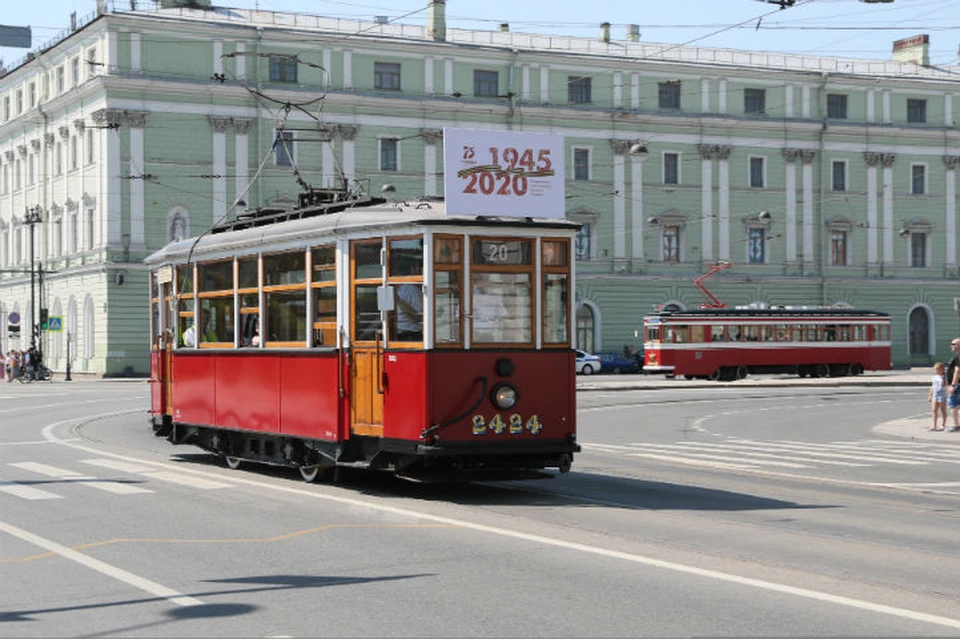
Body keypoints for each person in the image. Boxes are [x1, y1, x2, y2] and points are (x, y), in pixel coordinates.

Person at [928, 361, 947, 431]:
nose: (936, 371)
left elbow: (947, 386)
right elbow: (932, 386)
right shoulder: (934, 377)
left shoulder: (945, 377)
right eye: (935, 369)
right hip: (935, 395)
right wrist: (930, 395)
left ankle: (943, 425)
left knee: (943, 410)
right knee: (934, 410)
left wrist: (945, 382)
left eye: (937, 369)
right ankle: (934, 426)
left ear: (942, 369)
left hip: (942, 395)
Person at [947, 338, 960, 431]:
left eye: (953, 344)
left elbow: (957, 371)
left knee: (953, 404)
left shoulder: (959, 357)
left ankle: (956, 425)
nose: (951, 345)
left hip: (957, 385)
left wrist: (953, 385)